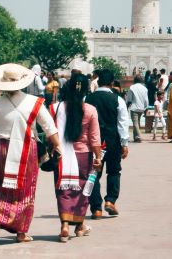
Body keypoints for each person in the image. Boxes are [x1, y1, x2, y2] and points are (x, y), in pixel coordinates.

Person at [0, 63, 61, 244]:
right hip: (26, 148)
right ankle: (20, 232)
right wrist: (58, 148)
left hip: (1, 147)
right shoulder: (35, 102)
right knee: (25, 190)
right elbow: (49, 128)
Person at [51, 73, 102, 241]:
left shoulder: (56, 108)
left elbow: (50, 133)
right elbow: (94, 138)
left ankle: (65, 225)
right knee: (81, 191)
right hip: (83, 155)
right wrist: (98, 157)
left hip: (62, 155)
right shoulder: (90, 110)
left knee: (63, 190)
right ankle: (79, 226)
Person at [86, 69, 129, 219]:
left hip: (93, 143)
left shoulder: (88, 98)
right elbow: (122, 123)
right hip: (112, 141)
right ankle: (110, 201)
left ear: (97, 81)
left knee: (93, 174)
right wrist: (125, 143)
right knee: (114, 171)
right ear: (112, 83)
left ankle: (96, 208)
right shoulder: (118, 100)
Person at [125, 77, 148, 144]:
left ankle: (138, 136)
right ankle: (135, 137)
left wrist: (127, 105)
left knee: (135, 123)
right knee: (137, 122)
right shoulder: (144, 88)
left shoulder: (132, 87)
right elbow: (146, 100)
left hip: (134, 107)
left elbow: (129, 98)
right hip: (141, 107)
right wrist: (146, 108)